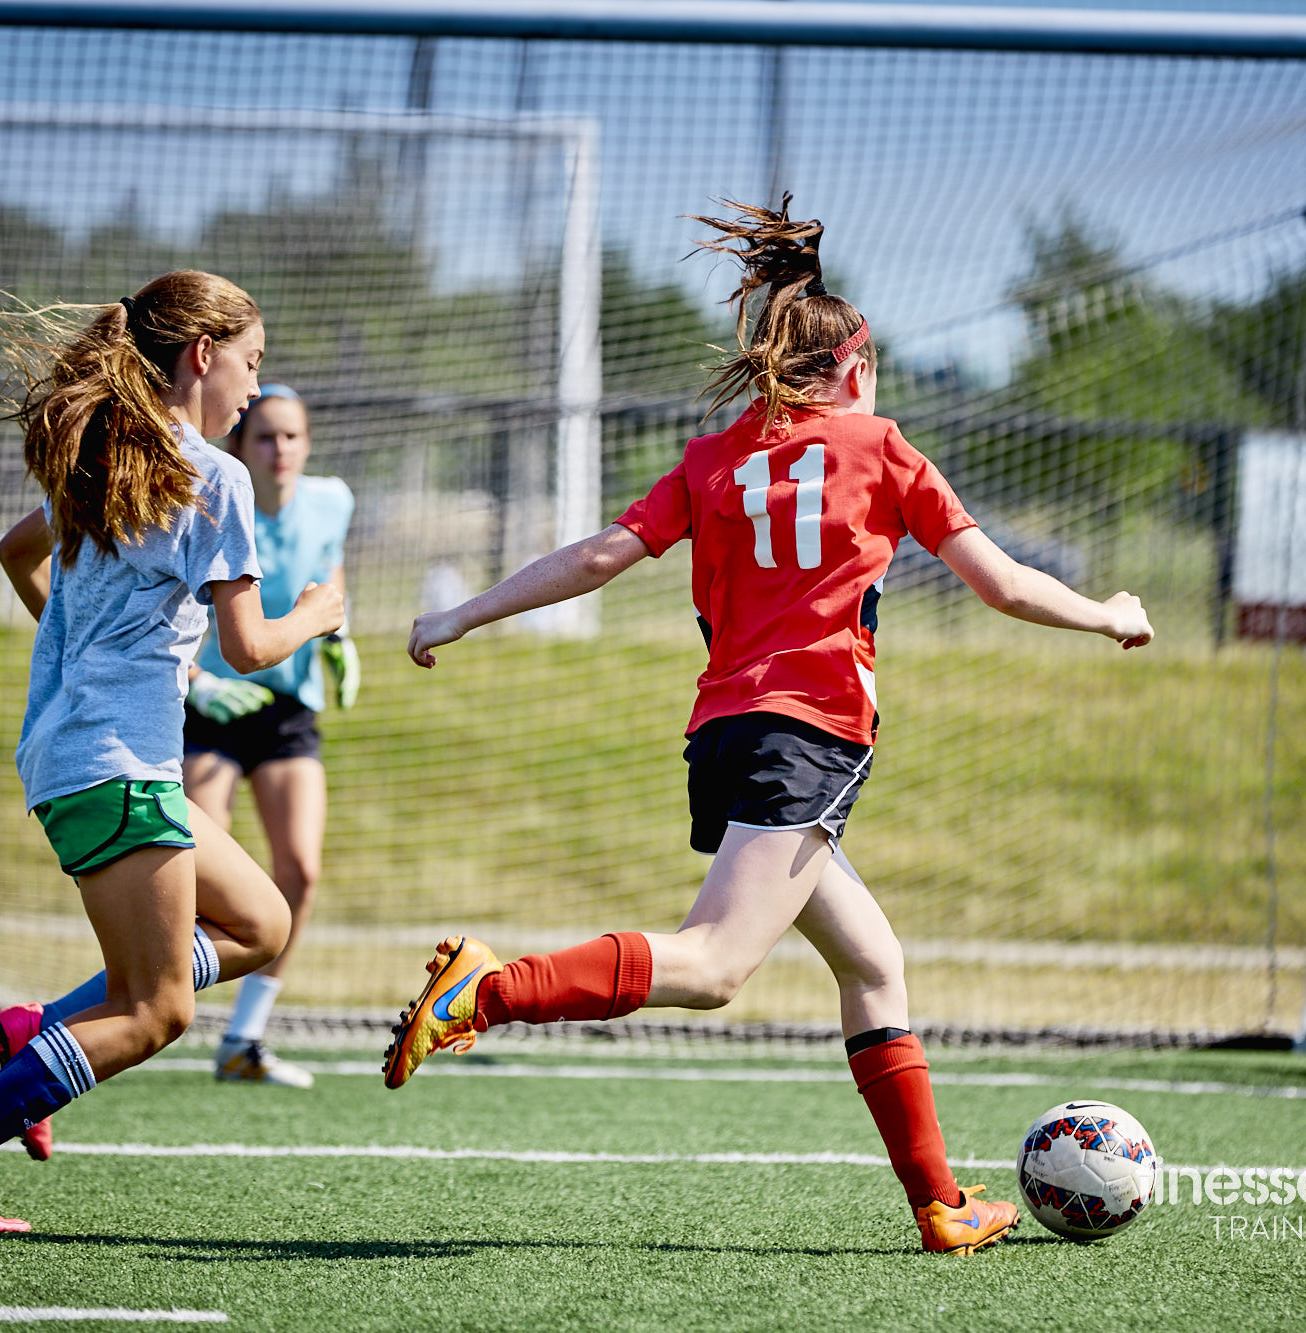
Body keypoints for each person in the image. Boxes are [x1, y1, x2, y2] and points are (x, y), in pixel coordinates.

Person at [383, 198, 1154, 1255]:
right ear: (858, 361)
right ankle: (490, 988)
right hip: (809, 732)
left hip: (724, 734)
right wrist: (1109, 612)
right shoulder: (880, 448)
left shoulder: (711, 459)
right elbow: (1005, 585)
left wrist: (466, 610)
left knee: (872, 961)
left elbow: (602, 555)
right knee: (709, 968)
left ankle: (938, 1202)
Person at [0, 271, 344, 1232]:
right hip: (118, 765)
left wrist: (84, 658)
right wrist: (316, 615)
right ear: (202, 355)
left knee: (262, 923)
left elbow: (17, 552)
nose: (256, 391)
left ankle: (40, 1031)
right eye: (251, 365)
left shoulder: (103, 456)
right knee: (159, 1009)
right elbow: (247, 645)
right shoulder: (214, 475)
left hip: (81, 753)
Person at [183, 383, 357, 1088]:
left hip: (287, 707)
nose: (279, 450)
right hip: (214, 704)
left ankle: (244, 1037)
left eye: (291, 436)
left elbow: (331, 570)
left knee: (301, 871)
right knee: (191, 861)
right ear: (239, 446)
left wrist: (340, 635)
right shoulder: (215, 495)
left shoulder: (333, 499)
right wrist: (200, 680)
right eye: (265, 437)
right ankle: (131, 996)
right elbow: (175, 599)